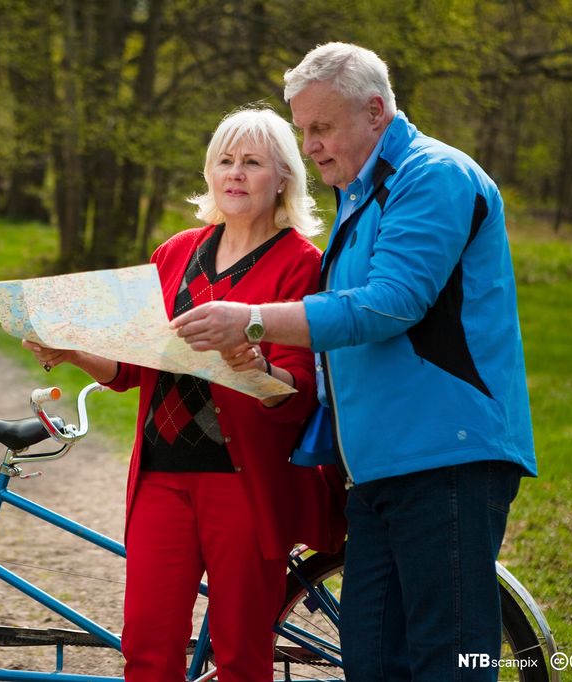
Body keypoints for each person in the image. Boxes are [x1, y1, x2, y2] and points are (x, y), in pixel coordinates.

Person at [170, 43, 538, 681]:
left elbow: (388, 306)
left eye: (321, 128)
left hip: (446, 457)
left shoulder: (433, 176)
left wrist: (251, 315)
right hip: (374, 470)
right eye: (302, 129)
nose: (309, 146)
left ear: (375, 112)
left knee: (447, 660)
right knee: (370, 659)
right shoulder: (360, 195)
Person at [23, 106, 345, 682]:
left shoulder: (304, 264)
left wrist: (255, 363)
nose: (235, 173)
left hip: (246, 483)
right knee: (147, 642)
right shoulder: (175, 253)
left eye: (252, 162)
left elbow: (298, 395)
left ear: (284, 179)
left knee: (241, 652)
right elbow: (129, 368)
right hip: (161, 476)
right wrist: (71, 349)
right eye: (225, 161)